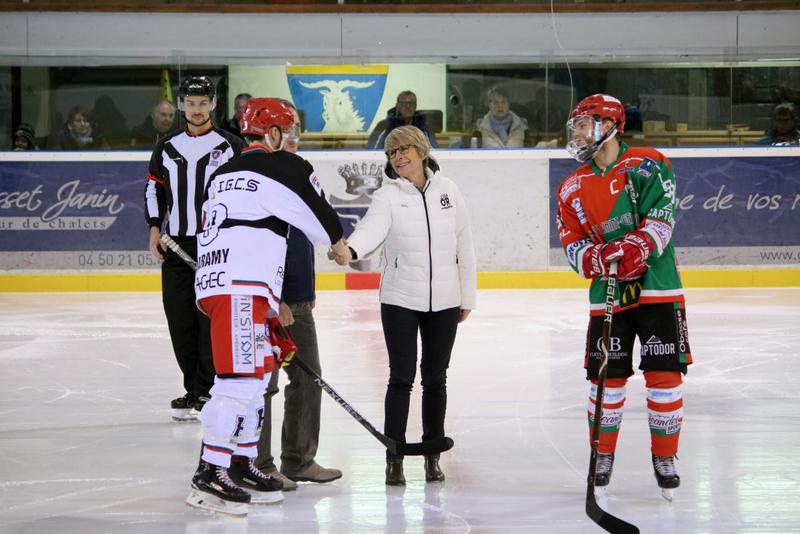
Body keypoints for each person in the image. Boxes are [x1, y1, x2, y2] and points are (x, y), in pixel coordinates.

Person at [187, 97, 348, 515]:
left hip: (237, 288)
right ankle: (210, 472)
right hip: (240, 291)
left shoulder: (223, 173)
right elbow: (323, 217)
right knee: (238, 383)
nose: (291, 139)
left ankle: (242, 464)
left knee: (258, 378)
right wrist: (340, 245)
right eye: (287, 131)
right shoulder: (285, 166)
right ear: (273, 133)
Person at [555, 93, 693, 497]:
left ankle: (664, 456)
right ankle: (602, 454)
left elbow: (662, 218)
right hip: (608, 292)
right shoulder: (571, 188)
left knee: (664, 374)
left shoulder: (649, 164)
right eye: (577, 126)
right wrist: (596, 257)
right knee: (606, 378)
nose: (579, 133)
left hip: (658, 287)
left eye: (584, 124)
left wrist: (637, 246)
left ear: (610, 126)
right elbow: (573, 245)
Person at [333, 125, 476, 486]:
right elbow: (371, 230)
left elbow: (464, 245)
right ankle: (393, 458)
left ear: (421, 151)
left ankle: (432, 456)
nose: (397, 157)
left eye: (404, 150)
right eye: (391, 153)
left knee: (436, 378)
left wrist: (467, 296)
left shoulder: (449, 190)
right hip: (399, 299)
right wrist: (351, 249)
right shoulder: (388, 196)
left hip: (445, 300)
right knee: (401, 378)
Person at [144, 76, 246, 422]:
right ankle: (193, 388)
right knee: (180, 321)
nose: (197, 110)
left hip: (216, 246)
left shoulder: (232, 145)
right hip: (175, 246)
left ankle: (206, 390)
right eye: (191, 103)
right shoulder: (167, 146)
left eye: (203, 103)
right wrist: (154, 228)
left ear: (213, 104)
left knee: (208, 321)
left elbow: (244, 192)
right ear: (182, 106)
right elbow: (153, 189)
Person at [255, 100, 342, 490]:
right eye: (286, 131)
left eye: (297, 132)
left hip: (298, 300)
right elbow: (260, 246)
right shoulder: (263, 178)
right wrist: (277, 299)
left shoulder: (297, 173)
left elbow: (301, 240)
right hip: (271, 302)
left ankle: (298, 460)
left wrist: (306, 291)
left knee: (308, 378)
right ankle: (260, 464)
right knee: (264, 383)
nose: (293, 138)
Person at [367, 91, 438, 149]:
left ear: (416, 106)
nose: (408, 106)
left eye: (411, 103)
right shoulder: (384, 125)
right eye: (404, 103)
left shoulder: (423, 126)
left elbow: (434, 150)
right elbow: (372, 151)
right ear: (397, 106)